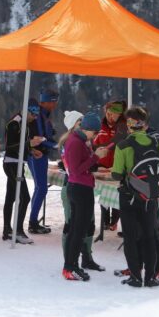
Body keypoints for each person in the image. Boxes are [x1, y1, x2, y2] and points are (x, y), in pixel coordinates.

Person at [112, 107, 159, 288]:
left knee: (131, 237)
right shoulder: (157, 142)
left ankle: (135, 276)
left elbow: (117, 174)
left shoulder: (123, 145)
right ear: (144, 124)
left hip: (129, 196)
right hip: (151, 196)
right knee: (149, 236)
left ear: (129, 125)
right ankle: (150, 277)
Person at [62, 112, 108, 281]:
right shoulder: (75, 142)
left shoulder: (80, 141)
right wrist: (96, 157)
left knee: (77, 229)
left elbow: (82, 164)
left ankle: (71, 265)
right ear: (87, 129)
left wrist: (94, 159)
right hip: (79, 189)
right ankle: (70, 267)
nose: (94, 136)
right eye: (94, 133)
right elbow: (75, 169)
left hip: (81, 187)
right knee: (78, 231)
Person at [2, 101, 43, 244]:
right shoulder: (15, 123)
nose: (35, 117)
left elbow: (20, 145)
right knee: (25, 197)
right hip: (12, 164)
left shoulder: (25, 123)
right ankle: (17, 231)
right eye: (33, 114)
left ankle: (7, 230)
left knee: (11, 197)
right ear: (26, 111)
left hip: (17, 163)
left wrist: (31, 150)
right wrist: (29, 144)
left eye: (37, 115)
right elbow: (9, 147)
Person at [27, 88, 59, 234]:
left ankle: (33, 220)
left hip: (37, 153)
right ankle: (33, 222)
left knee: (39, 188)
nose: (55, 104)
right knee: (41, 188)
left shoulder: (43, 114)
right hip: (37, 154)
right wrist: (56, 145)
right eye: (53, 101)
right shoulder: (39, 115)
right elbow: (41, 138)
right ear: (46, 102)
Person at [94, 100, 128, 232]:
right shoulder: (101, 126)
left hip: (117, 167)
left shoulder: (123, 126)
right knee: (104, 195)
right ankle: (104, 221)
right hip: (102, 166)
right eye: (108, 113)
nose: (109, 116)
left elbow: (117, 141)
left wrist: (102, 148)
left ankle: (114, 221)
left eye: (113, 114)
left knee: (116, 195)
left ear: (119, 114)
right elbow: (95, 142)